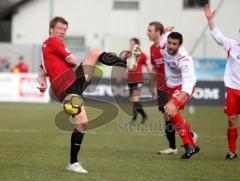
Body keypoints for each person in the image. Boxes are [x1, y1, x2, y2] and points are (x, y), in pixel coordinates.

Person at [37, 16, 137, 173]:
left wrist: (42, 82)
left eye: (65, 29)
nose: (63, 32)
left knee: (82, 123)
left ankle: (127, 64)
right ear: (51, 29)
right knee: (82, 122)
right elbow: (71, 59)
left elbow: (42, 69)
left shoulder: (45, 46)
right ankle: (73, 163)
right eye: (60, 28)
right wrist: (83, 66)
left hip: (70, 84)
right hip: (67, 85)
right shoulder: (53, 42)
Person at [204, 4, 240, 160]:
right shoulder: (232, 45)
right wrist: (210, 19)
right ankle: (232, 151)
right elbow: (217, 36)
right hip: (233, 89)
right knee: (231, 120)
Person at [160, 31, 200, 159]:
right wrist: (165, 30)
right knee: (169, 114)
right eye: (169, 42)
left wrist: (175, 102)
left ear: (180, 45)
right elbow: (162, 37)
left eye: (174, 44)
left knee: (170, 110)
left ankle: (188, 144)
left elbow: (188, 85)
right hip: (171, 84)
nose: (170, 46)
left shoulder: (185, 60)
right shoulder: (163, 45)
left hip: (184, 87)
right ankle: (193, 142)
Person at [147, 21, 178, 154]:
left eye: (150, 30)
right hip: (161, 87)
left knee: (171, 114)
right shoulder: (152, 48)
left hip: (172, 85)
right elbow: (154, 68)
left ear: (158, 32)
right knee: (167, 116)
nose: (147, 32)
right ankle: (173, 147)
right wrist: (152, 86)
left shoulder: (167, 45)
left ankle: (188, 135)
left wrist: (167, 31)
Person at [124, 38, 150, 124]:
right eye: (130, 44)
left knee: (135, 99)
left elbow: (147, 66)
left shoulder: (142, 55)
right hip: (130, 80)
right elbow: (123, 63)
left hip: (138, 80)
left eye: (132, 44)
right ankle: (143, 116)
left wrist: (152, 76)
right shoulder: (127, 54)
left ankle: (135, 119)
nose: (130, 45)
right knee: (133, 100)